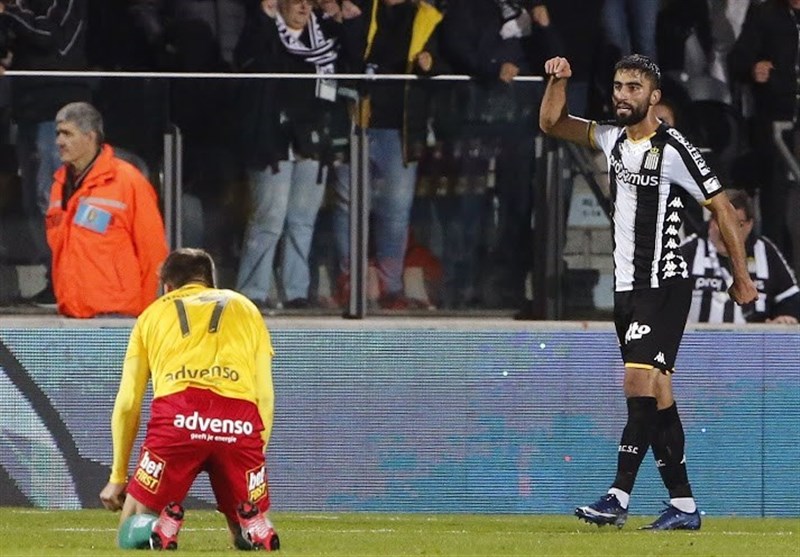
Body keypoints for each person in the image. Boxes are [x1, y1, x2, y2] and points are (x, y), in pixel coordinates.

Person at [539, 53, 758, 530]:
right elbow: (552, 123)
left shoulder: (674, 148)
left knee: (637, 384)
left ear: (654, 96)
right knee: (657, 395)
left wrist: (740, 275)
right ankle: (684, 505)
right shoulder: (611, 137)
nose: (622, 95)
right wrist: (559, 81)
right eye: (618, 86)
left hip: (664, 284)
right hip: (627, 288)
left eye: (633, 88)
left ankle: (617, 496)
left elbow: (722, 207)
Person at [99, 248, 280, 551]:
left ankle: (156, 526)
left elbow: (128, 402)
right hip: (238, 420)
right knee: (246, 529)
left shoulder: (152, 315)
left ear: (167, 286)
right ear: (211, 281)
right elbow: (265, 396)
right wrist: (252, 455)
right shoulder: (247, 309)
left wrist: (118, 475)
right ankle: (253, 528)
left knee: (130, 530)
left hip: (179, 416)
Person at [235, 0, 354, 309]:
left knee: (302, 221)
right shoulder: (264, 31)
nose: (303, 6)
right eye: (297, 0)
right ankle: (252, 292)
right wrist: (265, 17)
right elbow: (248, 59)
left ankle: (296, 292)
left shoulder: (324, 36)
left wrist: (344, 23)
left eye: (309, 1)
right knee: (269, 219)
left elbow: (350, 68)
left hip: (312, 142)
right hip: (273, 143)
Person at [330, 0, 447, 310]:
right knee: (348, 206)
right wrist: (349, 23)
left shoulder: (427, 17)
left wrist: (430, 64)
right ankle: (350, 280)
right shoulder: (362, 8)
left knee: (395, 211)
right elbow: (347, 56)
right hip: (357, 123)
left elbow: (445, 65)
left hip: (400, 129)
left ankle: (390, 287)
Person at [0, 0, 91, 303]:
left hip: (56, 112)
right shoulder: (21, 9)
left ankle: (67, 276)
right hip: (26, 111)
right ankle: (54, 275)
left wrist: (9, 11)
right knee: (33, 201)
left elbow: (49, 36)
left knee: (51, 198)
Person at [45, 102, 168, 318]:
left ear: (90, 137)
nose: (59, 141)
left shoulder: (128, 181)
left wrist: (150, 315)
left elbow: (153, 251)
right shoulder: (59, 185)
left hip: (118, 314)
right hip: (72, 312)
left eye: (67, 134)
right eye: (58, 134)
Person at [728, 0, 800, 275]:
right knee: (775, 203)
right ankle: (776, 273)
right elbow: (736, 60)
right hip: (774, 123)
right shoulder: (764, 13)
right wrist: (753, 68)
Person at [682, 189, 799, 324]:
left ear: (749, 225)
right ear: (711, 221)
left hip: (753, 336)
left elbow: (790, 298)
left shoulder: (766, 251)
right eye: (721, 221)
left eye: (738, 224)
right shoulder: (688, 251)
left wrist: (785, 317)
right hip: (697, 336)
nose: (727, 231)